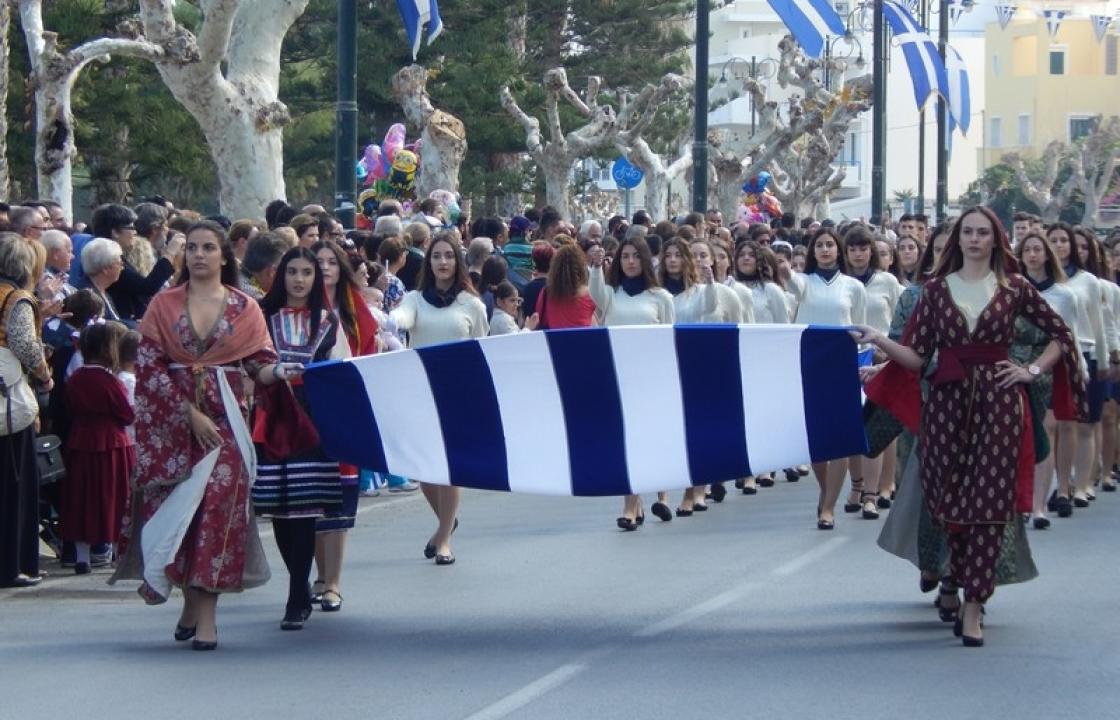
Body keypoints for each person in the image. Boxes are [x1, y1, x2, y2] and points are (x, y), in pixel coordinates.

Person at [856, 206, 1086, 647]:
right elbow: (918, 357)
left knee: (990, 507)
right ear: (958, 240)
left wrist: (1031, 371)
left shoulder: (1014, 287)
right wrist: (881, 341)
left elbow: (1061, 334)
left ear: (996, 240)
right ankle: (955, 581)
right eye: (969, 233)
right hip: (945, 408)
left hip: (1001, 408)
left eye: (983, 232)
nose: (975, 239)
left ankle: (975, 603)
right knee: (948, 505)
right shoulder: (936, 291)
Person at [111, 220, 293, 651]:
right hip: (172, 426)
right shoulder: (163, 304)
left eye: (208, 247)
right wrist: (186, 412)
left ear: (224, 256)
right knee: (181, 516)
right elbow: (151, 367)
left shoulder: (244, 307)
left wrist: (279, 372)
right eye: (192, 247)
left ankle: (207, 615)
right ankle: (188, 602)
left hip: (227, 424)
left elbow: (258, 362)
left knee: (216, 515)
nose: (198, 254)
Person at [255, 247, 347, 630]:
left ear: (315, 277)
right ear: (281, 276)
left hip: (311, 419)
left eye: (306, 272)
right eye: (292, 271)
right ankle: (298, 582)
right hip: (273, 416)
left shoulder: (327, 321)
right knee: (281, 508)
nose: (298, 279)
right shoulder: (262, 316)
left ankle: (296, 593)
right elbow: (251, 366)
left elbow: (340, 370)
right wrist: (271, 372)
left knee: (306, 509)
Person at [391, 231, 489, 564]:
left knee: (450, 467)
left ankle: (444, 536)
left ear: (457, 261)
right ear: (428, 261)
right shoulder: (415, 299)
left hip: (459, 394)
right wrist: (392, 320)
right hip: (421, 392)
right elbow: (403, 318)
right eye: (436, 256)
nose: (442, 262)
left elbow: (482, 349)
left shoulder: (472, 305)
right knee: (424, 468)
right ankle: (447, 519)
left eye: (448, 256)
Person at [309, 239, 380, 609]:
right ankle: (320, 576)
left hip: (346, 406)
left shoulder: (356, 311)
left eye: (330, 262)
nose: (324, 268)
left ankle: (333, 582)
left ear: (341, 267)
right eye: (316, 262)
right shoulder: (300, 310)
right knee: (314, 497)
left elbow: (369, 355)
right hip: (306, 412)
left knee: (340, 494)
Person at [587, 236, 675, 529]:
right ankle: (631, 504)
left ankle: (662, 495)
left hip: (652, 378)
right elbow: (595, 295)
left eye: (636, 256)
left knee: (653, 438)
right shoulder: (612, 294)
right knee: (629, 441)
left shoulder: (660, 297)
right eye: (625, 256)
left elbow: (669, 339)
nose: (631, 261)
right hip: (620, 376)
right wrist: (596, 267)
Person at [793, 227, 867, 529]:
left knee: (839, 436)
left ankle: (829, 506)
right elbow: (787, 282)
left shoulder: (853, 287)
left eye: (830, 245)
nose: (825, 250)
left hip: (843, 365)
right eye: (819, 245)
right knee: (815, 436)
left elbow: (862, 328)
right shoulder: (803, 283)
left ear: (839, 250)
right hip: (810, 364)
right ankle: (826, 490)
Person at [1013, 233, 1081, 529]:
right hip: (1012, 366)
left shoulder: (1064, 295)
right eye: (1026, 249)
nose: (1032, 254)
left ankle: (1039, 505)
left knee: (1046, 432)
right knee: (1017, 436)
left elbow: (1068, 337)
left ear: (1047, 254)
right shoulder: (1012, 290)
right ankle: (1021, 500)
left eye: (1037, 249)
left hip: (1049, 368)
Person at [60, 322, 134, 575]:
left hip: (80, 441)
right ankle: (114, 553)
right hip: (111, 444)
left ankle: (83, 558)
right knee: (114, 497)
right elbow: (126, 414)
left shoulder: (76, 378)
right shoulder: (110, 382)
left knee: (81, 498)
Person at [0, 233, 52, 588]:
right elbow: (22, 343)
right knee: (13, 484)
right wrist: (44, 374)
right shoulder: (16, 299)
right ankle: (12, 564)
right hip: (8, 404)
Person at [1046, 222, 1107, 516]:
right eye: (1053, 240)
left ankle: (1079, 485)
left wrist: (1105, 361)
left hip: (1084, 355)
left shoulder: (1088, 282)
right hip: (1046, 357)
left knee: (1081, 423)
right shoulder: (1039, 280)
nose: (1059, 245)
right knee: (1052, 425)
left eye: (1063, 240)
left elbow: (1098, 327)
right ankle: (1059, 482)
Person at [843, 225, 902, 520]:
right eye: (852, 249)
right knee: (854, 424)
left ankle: (884, 485)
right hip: (850, 359)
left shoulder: (888, 281)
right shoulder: (841, 282)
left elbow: (899, 320)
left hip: (883, 357)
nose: (858, 254)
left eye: (863, 248)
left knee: (880, 424)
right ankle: (857, 486)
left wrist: (887, 349)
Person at [94, 203, 183, 322]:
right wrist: (170, 253)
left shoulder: (114, 253)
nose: (135, 232)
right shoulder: (107, 256)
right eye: (131, 228)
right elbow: (147, 287)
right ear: (115, 232)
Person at [536, 243, 595, 329]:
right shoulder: (591, 294)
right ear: (581, 268)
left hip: (555, 341)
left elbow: (539, 318)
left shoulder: (546, 293)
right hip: (584, 341)